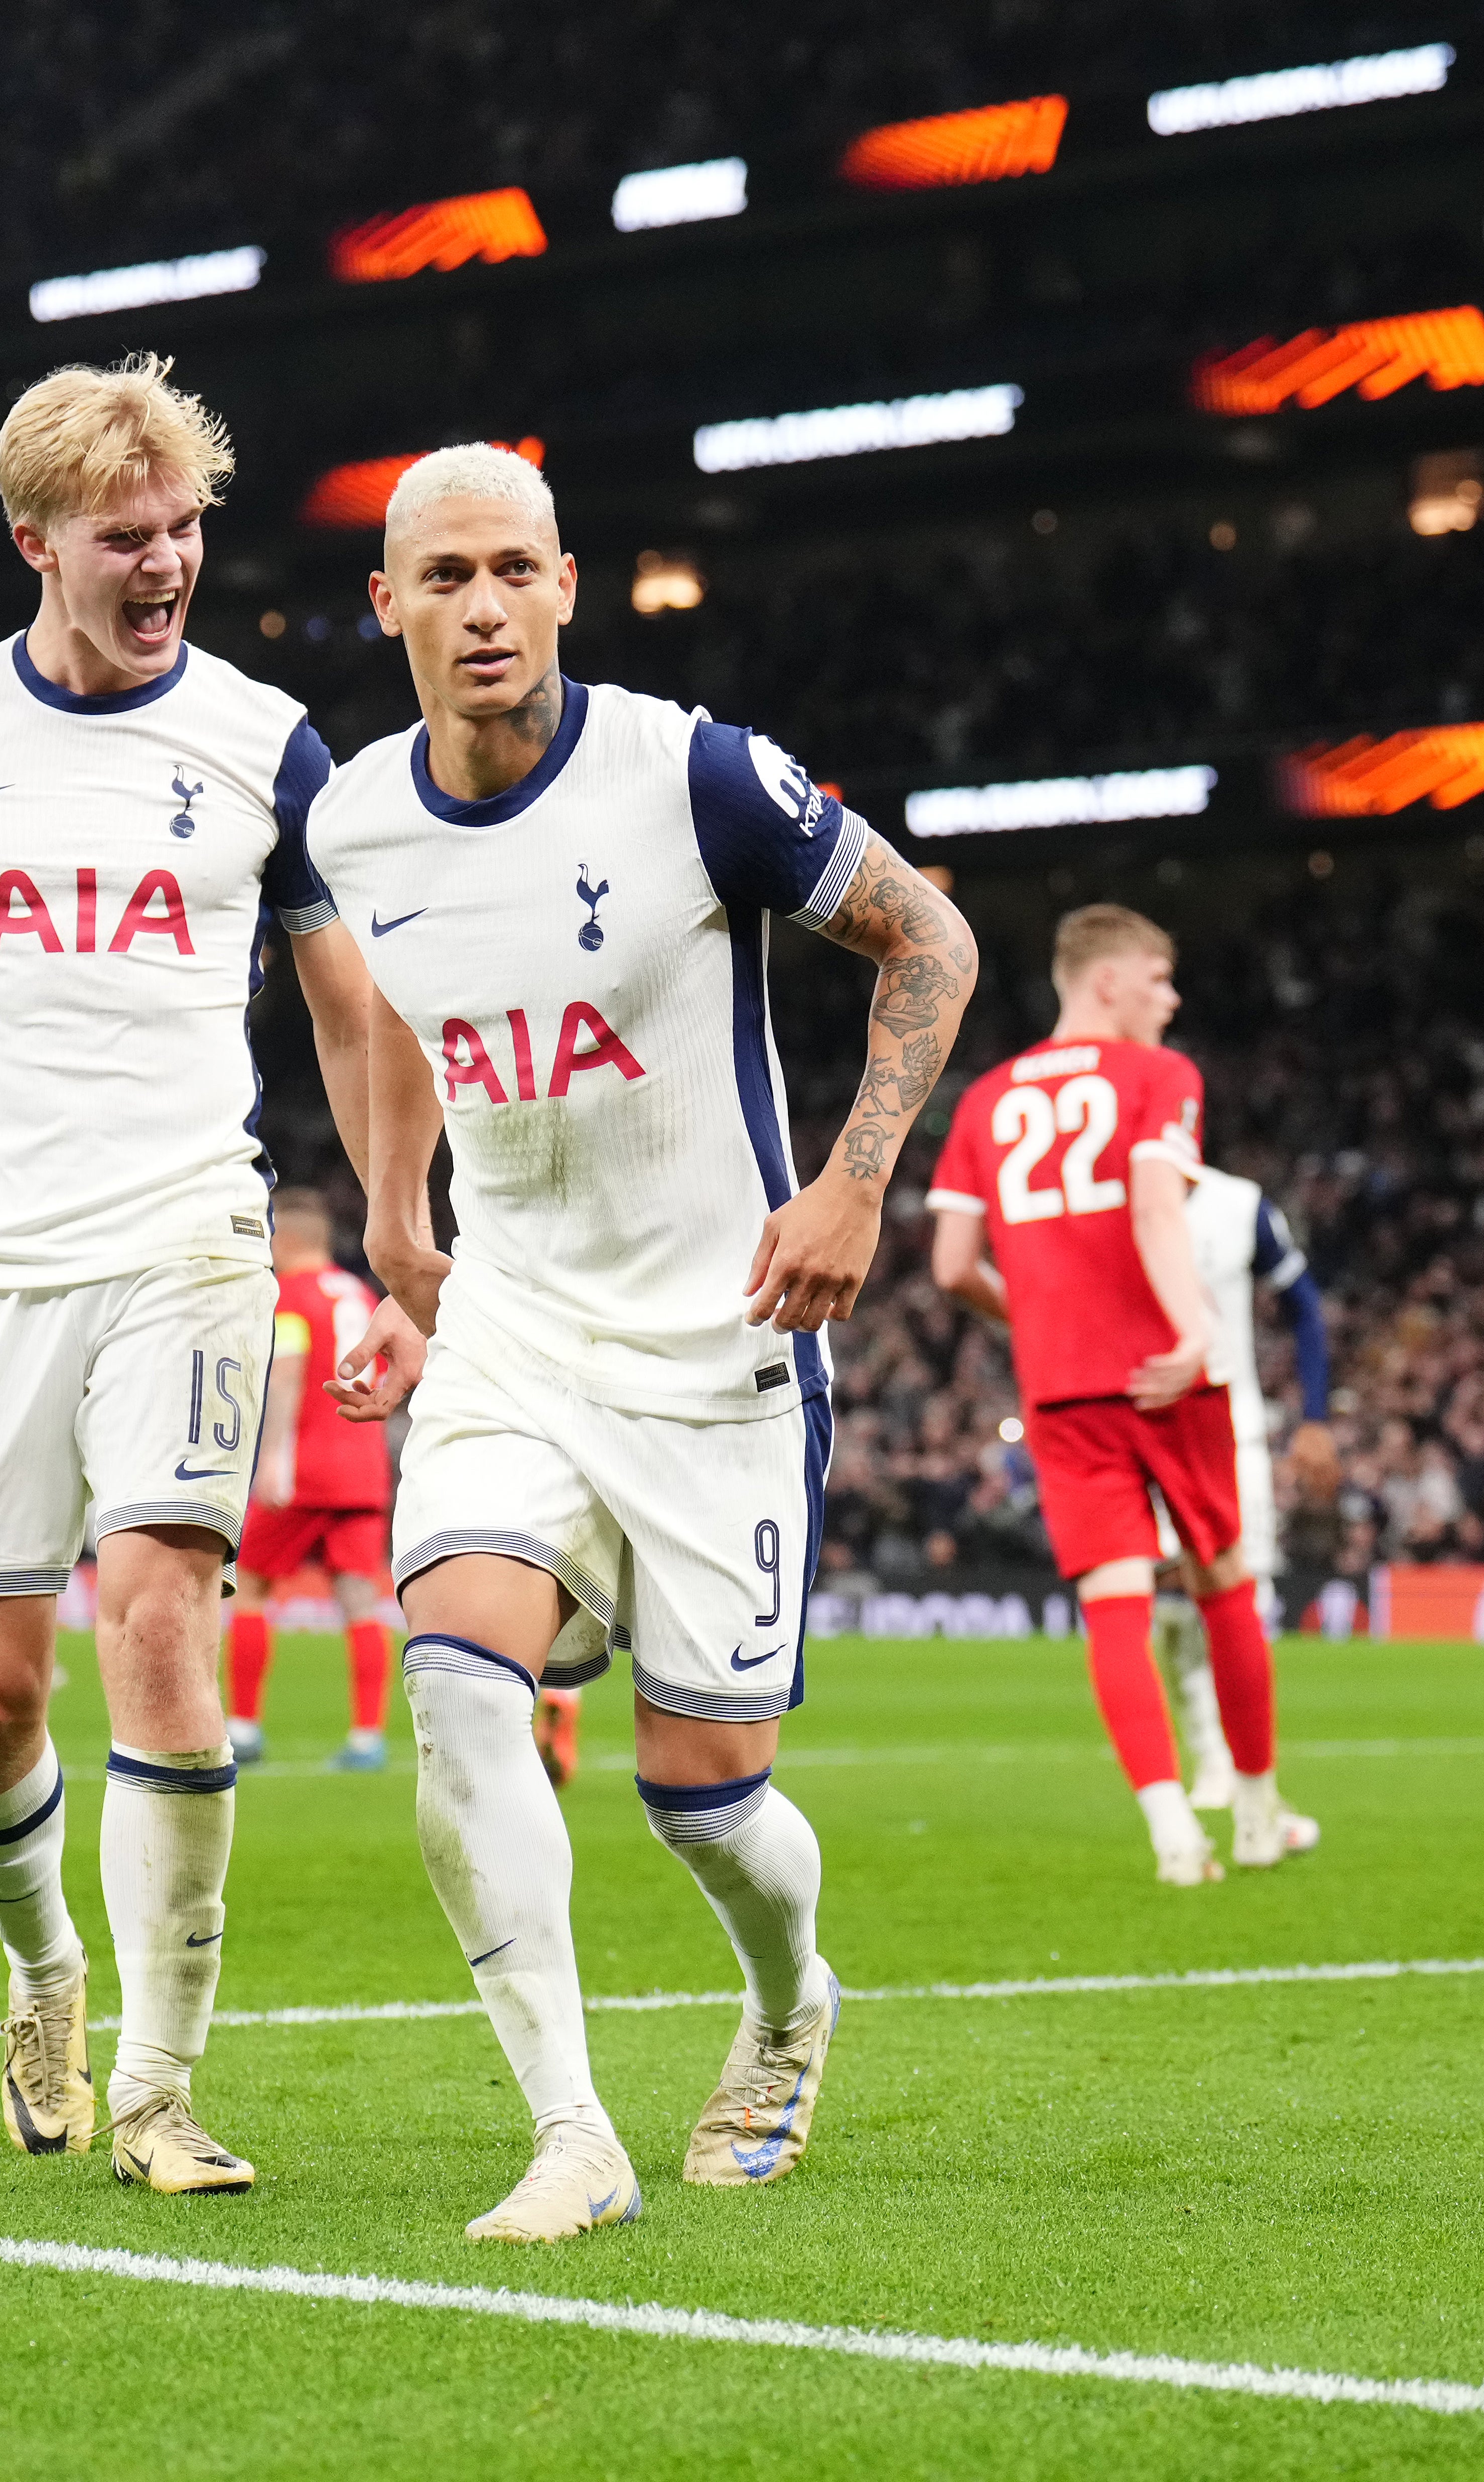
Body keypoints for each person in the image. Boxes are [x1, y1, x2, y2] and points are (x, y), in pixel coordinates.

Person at [318, 444, 978, 2241]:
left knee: (705, 1796)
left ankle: (786, 2007)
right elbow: (386, 1006)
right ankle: (573, 2133)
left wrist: (854, 1186)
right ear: (390, 604)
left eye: (512, 570)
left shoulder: (692, 774)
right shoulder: (354, 821)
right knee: (457, 1679)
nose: (482, 606)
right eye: (443, 575)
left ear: (566, 585)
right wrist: (395, 1220)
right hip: (517, 1332)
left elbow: (930, 937)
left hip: (719, 1351)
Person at [0, 355, 385, 2194]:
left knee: (165, 1627)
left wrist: (413, 1231)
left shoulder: (268, 740)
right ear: (37, 540)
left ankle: (165, 2085)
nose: (168, 562)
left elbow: (352, 1018)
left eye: (187, 527)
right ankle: (43, 1970)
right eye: (130, 536)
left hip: (192, 1238)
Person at [927, 905, 1307, 1890]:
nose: (1172, 999)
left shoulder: (986, 1101)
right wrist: (1193, 1330)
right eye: (1160, 976)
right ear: (1107, 981)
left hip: (1062, 1389)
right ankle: (1260, 1814)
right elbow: (1152, 1206)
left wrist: (1038, 1322)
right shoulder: (1159, 1077)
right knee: (1224, 1584)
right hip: (1163, 1375)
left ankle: (1175, 1830)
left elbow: (951, 1264)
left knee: (1114, 1608)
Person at [1147, 1163, 1328, 1810]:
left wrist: (1316, 1417)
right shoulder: (1110, 1199)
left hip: (1233, 1430)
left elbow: (1305, 1306)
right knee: (1170, 1597)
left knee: (1240, 1594)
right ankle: (1211, 1757)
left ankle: (1253, 1766)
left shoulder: (1242, 1205)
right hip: (1142, 1429)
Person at [225, 1191, 396, 1772]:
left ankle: (244, 1728)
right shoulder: (361, 1293)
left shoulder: (291, 1296)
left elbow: (289, 1373)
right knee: (360, 1600)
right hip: (364, 1466)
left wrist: (272, 1456)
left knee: (249, 1587)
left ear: (286, 1240)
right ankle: (368, 1737)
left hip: (305, 1467)